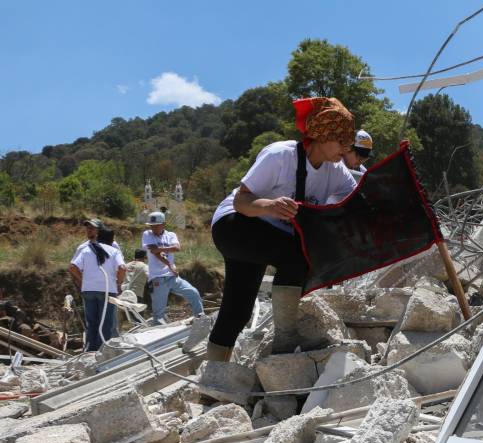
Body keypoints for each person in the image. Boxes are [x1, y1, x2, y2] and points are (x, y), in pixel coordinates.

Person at [207, 97, 357, 361]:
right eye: (341, 141)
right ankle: (286, 339)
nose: (346, 149)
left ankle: (214, 378)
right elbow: (242, 201)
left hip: (266, 236)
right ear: (322, 135)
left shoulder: (336, 171)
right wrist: (269, 205)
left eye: (348, 142)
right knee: (296, 255)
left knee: (238, 310)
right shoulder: (280, 155)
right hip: (235, 224)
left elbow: (356, 201)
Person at [68, 219, 126, 352]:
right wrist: (118, 283)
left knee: (92, 322)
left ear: (99, 233)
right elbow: (122, 268)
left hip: (89, 290)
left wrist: (84, 282)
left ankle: (90, 350)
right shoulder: (113, 249)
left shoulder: (86, 249)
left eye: (93, 228)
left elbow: (72, 267)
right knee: (106, 323)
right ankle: (102, 352)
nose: (89, 230)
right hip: (107, 290)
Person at [142, 211, 204, 324]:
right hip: (158, 278)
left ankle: (200, 318)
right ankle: (158, 333)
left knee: (193, 293)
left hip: (172, 276)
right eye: (152, 226)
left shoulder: (171, 235)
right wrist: (169, 264)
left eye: (156, 225)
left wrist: (160, 249)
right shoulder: (147, 234)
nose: (153, 228)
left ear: (163, 224)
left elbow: (177, 248)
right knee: (159, 311)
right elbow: (154, 252)